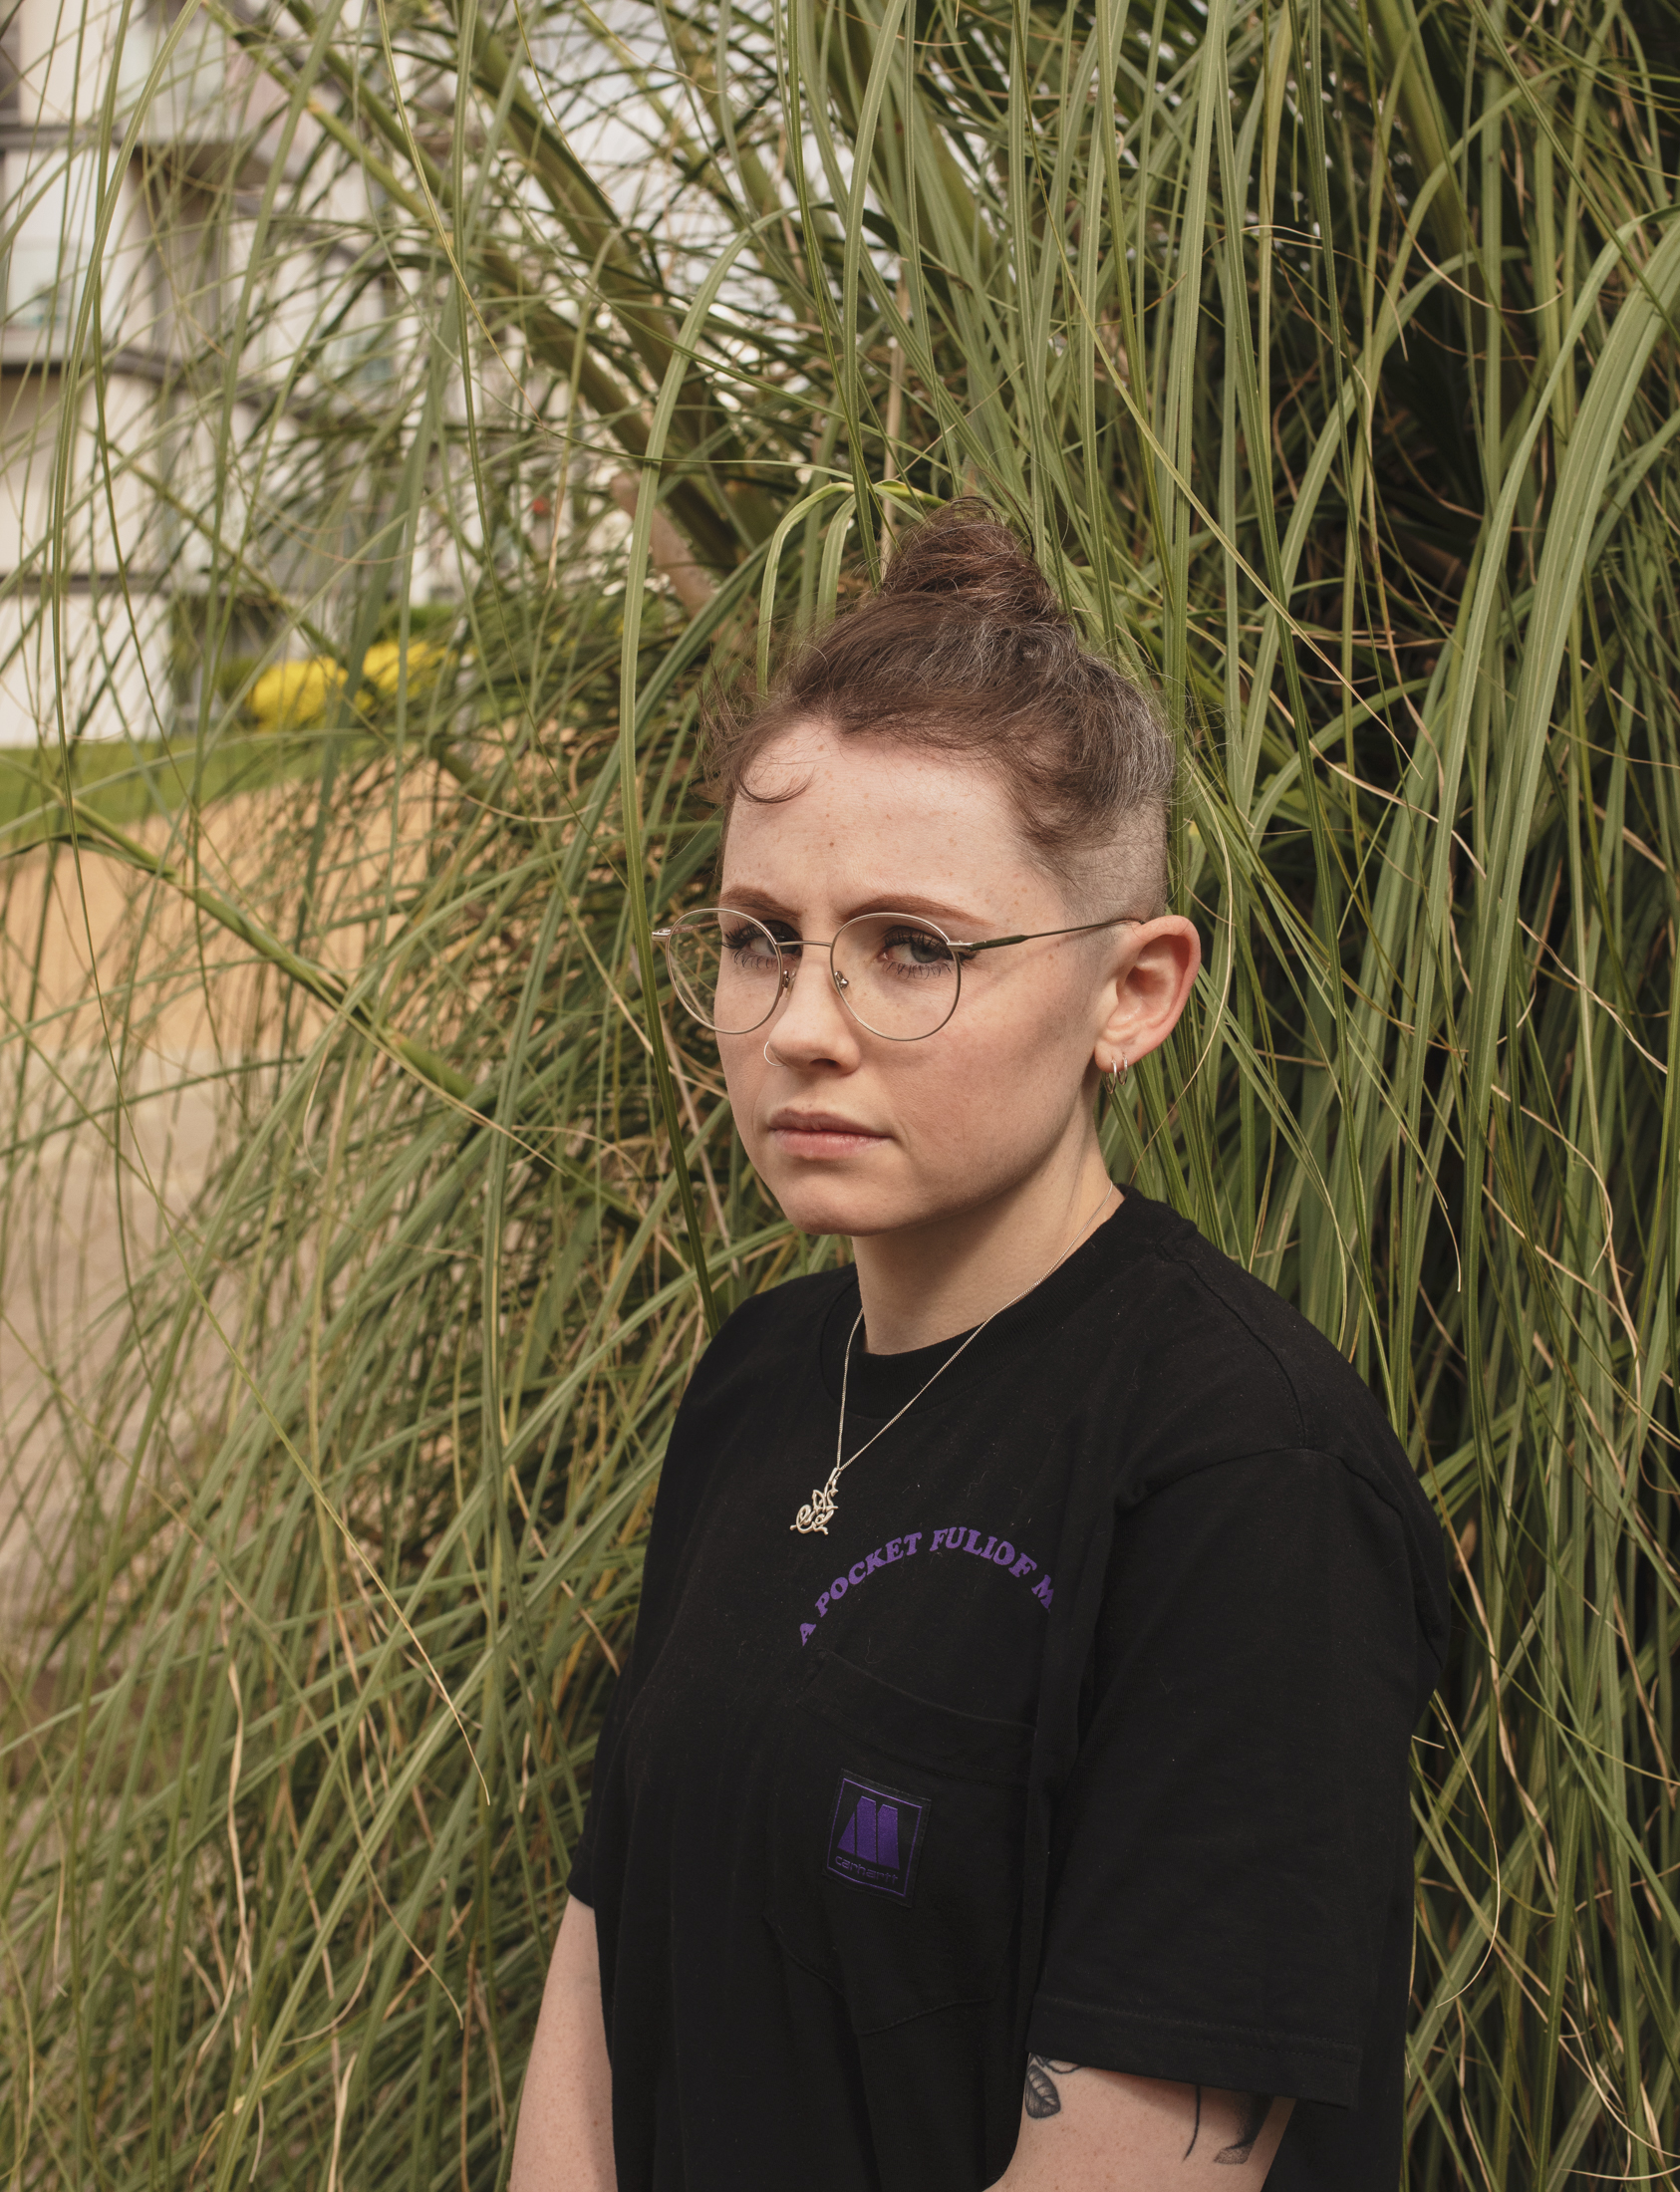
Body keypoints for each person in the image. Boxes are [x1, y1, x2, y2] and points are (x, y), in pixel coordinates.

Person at [509, 502, 1449, 2192]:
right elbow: (609, 1919)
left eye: (911, 949)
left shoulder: (1241, 1476)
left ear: (1135, 992)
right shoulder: (753, 1384)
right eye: (754, 937)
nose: (801, 1022)